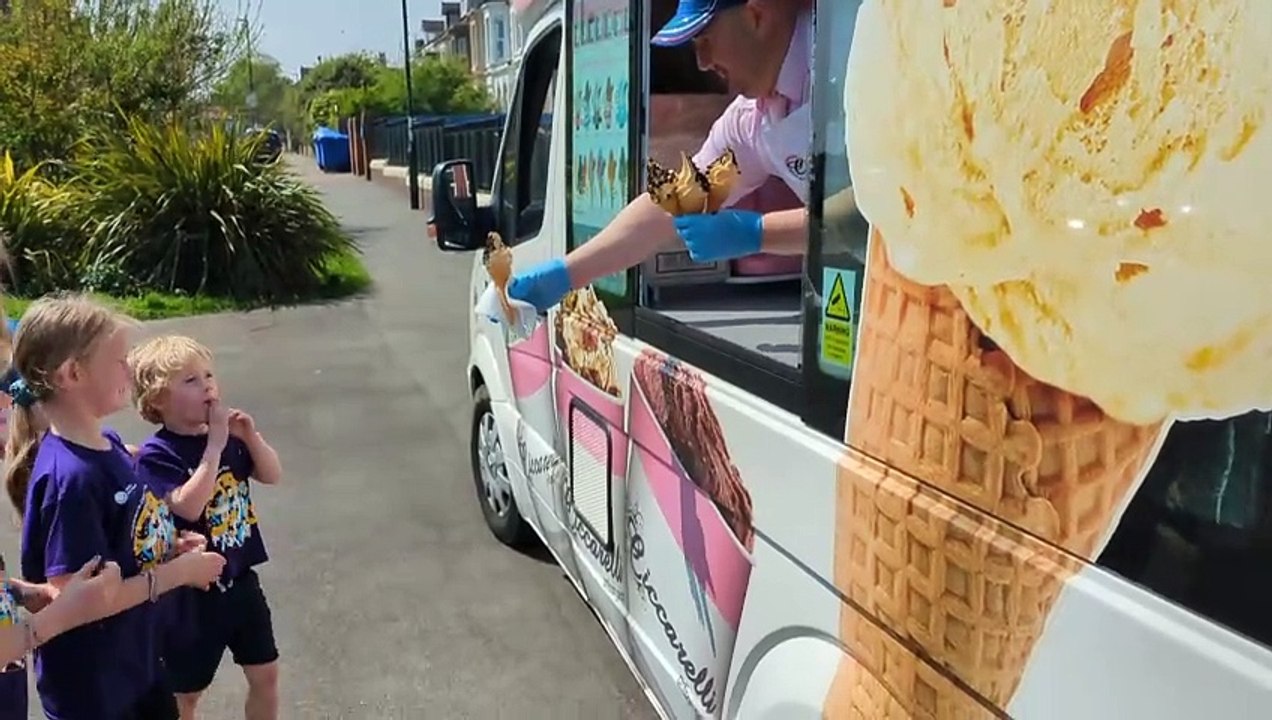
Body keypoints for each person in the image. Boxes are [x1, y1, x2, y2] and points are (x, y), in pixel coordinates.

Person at [509, 0, 843, 312]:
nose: (702, 62)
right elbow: (671, 205)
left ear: (756, 15)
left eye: (705, 39)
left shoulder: (846, 64)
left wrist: (758, 233)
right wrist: (568, 273)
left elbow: (870, 212)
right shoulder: (751, 119)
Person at [5, 294, 227, 720]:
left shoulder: (108, 445)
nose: (130, 369)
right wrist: (178, 573)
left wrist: (167, 547)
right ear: (72, 374)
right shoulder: (72, 479)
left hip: (135, 665)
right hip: (96, 692)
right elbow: (75, 599)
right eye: (120, 361)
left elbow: (123, 536)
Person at [129, 335, 283, 720]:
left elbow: (271, 474)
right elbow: (187, 505)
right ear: (158, 400)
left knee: (265, 673)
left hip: (241, 580)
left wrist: (250, 436)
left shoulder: (229, 438)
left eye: (209, 375)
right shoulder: (157, 455)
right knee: (186, 694)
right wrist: (214, 447)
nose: (208, 386)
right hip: (192, 594)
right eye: (191, 380)